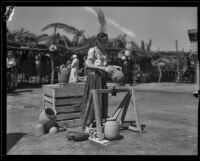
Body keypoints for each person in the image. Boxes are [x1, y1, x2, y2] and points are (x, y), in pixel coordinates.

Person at [80, 32, 110, 130]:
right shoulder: (92, 50)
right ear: (98, 41)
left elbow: (105, 65)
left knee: (101, 99)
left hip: (102, 78)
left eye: (106, 42)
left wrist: (112, 68)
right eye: (103, 42)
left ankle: (99, 120)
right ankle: (89, 122)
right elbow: (88, 64)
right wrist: (100, 68)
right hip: (93, 78)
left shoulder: (105, 52)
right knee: (92, 100)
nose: (105, 44)